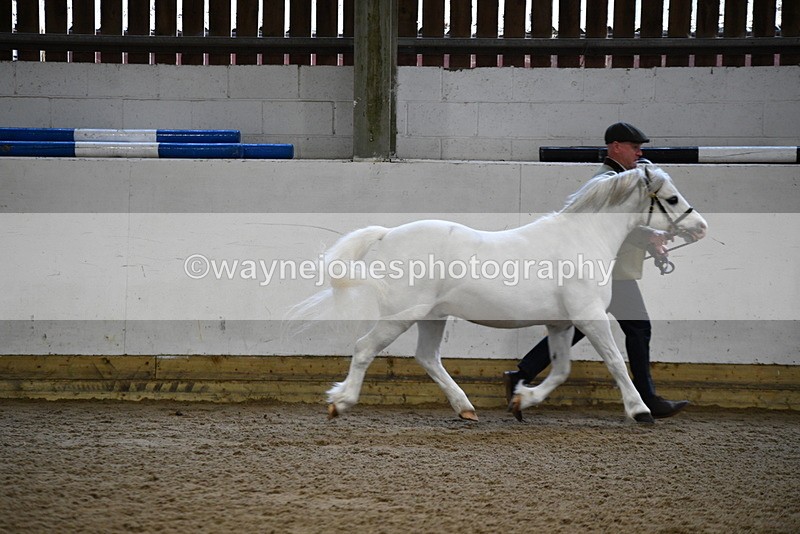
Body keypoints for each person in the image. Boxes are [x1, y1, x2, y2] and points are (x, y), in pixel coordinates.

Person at [503, 122, 689, 419]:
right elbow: (609, 227)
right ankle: (647, 398)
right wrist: (649, 237)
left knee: (577, 327)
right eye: (634, 147)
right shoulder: (607, 181)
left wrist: (653, 240)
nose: (640, 153)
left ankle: (522, 373)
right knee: (638, 329)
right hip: (609, 272)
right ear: (616, 146)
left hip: (609, 269)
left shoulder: (618, 179)